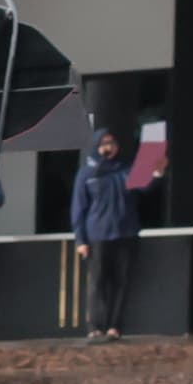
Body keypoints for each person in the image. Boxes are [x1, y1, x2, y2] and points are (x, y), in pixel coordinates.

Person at [68, 124, 142, 340]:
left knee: (122, 280)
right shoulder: (87, 173)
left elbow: (147, 186)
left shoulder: (126, 168)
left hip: (126, 232)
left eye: (112, 143)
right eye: (104, 143)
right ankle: (95, 326)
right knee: (98, 281)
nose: (109, 147)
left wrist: (157, 169)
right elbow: (78, 209)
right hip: (98, 234)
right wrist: (80, 239)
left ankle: (115, 326)